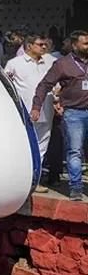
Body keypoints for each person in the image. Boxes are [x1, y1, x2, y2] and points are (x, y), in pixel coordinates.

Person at [33, 31, 88, 201]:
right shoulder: (62, 64)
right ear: (74, 45)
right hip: (74, 114)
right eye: (85, 43)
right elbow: (44, 85)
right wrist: (36, 107)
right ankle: (76, 188)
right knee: (75, 151)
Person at [6, 34, 56, 191]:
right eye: (40, 44)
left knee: (42, 147)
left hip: (46, 110)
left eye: (45, 44)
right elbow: (7, 84)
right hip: (25, 111)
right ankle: (21, 180)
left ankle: (35, 181)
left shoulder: (50, 62)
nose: (44, 47)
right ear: (29, 46)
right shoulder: (14, 63)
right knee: (25, 145)